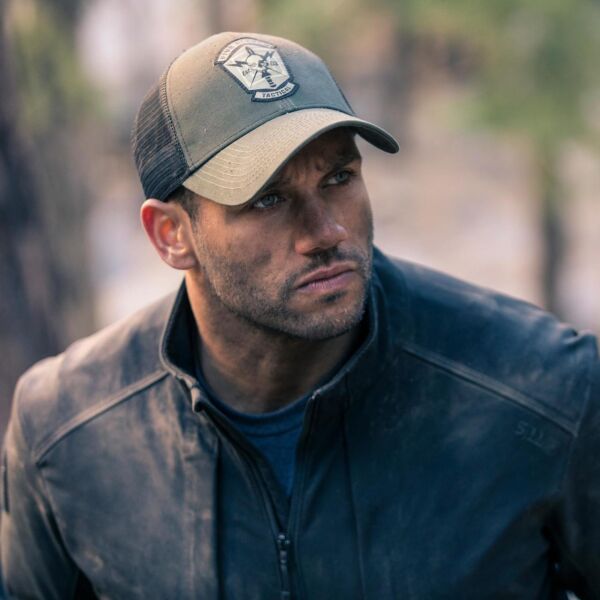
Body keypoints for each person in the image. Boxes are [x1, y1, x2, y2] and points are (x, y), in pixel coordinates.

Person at [1, 31, 599, 600]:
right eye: (268, 198)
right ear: (171, 235)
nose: (327, 231)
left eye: (339, 177)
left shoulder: (544, 392)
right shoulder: (64, 431)